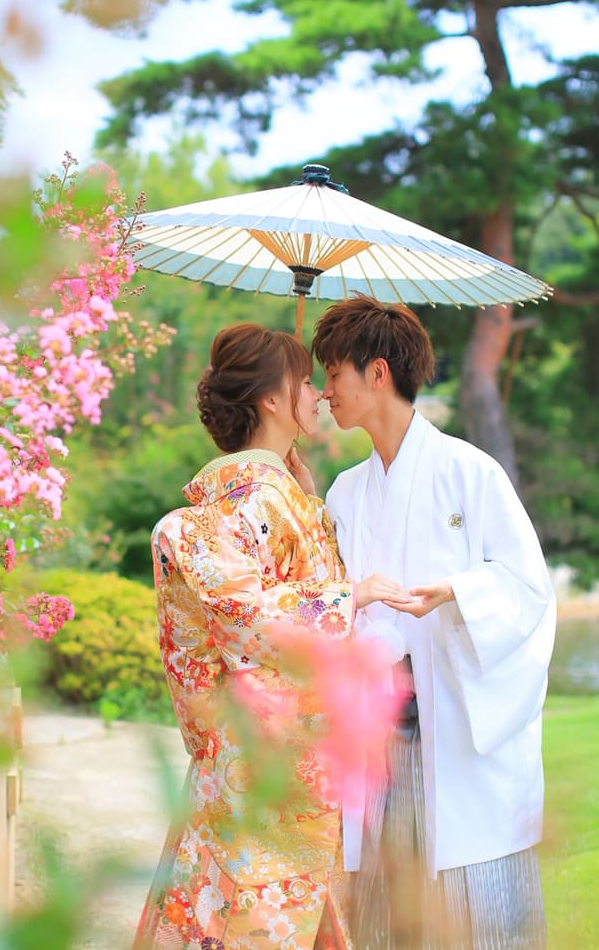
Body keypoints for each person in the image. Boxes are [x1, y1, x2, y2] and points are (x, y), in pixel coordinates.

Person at [134, 322, 409, 950]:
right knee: (252, 920)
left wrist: (304, 499)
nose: (318, 394)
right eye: (305, 382)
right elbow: (246, 617)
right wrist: (349, 596)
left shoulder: (278, 495)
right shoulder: (251, 502)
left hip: (283, 753)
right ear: (271, 399)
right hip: (265, 757)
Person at [311, 294, 557, 949]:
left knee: (473, 908)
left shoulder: (470, 473)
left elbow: (528, 588)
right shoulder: (343, 492)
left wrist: (457, 592)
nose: (324, 391)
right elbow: (329, 597)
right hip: (379, 729)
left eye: (332, 373)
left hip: (454, 719)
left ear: (377, 374)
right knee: (386, 908)